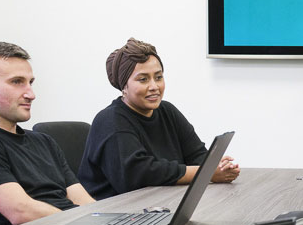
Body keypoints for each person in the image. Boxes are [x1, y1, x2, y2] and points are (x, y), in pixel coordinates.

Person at [78, 38, 239, 199]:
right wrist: (207, 172)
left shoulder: (167, 111)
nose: (154, 86)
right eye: (143, 79)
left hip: (159, 204)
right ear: (123, 86)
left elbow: (196, 155)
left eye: (158, 77)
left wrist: (218, 166)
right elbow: (138, 175)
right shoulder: (110, 120)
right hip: (116, 214)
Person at [0, 42, 96, 225]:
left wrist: (108, 224)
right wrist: (84, 224)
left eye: (30, 82)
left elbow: (84, 201)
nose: (31, 94)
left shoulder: (44, 141)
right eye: (17, 82)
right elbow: (21, 212)